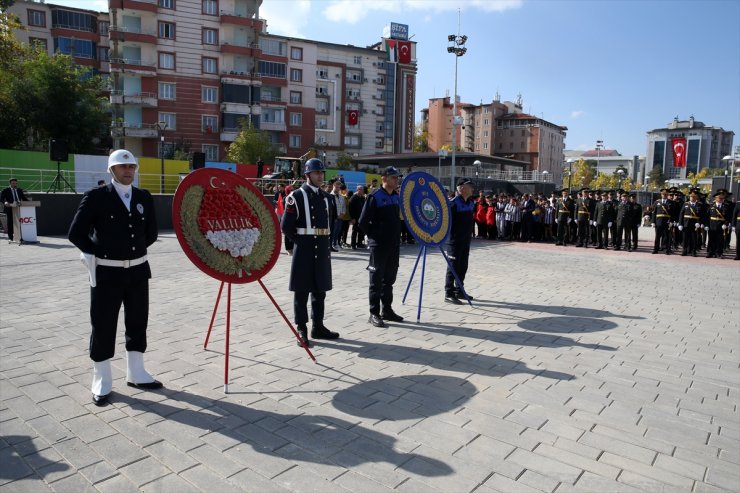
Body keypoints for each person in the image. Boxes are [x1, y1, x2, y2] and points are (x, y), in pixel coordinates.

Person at [68, 150, 161, 406]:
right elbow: (76, 233)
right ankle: (102, 379)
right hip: (107, 272)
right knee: (103, 323)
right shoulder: (96, 197)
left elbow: (150, 233)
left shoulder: (143, 197)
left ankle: (137, 372)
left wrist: (132, 253)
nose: (128, 171)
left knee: (138, 320)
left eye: (131, 166)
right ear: (111, 170)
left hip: (138, 271)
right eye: (122, 167)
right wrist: (99, 254)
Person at [280, 159, 339, 348]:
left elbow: (332, 222)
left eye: (322, 173)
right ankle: (302, 328)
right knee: (301, 291)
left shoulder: (327, 198)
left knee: (319, 290)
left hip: (321, 248)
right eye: (316, 173)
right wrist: (300, 243)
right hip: (304, 248)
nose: (320, 176)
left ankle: (318, 326)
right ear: (307, 175)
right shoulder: (296, 196)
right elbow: (286, 226)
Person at [358, 166, 404, 327]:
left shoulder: (396, 197)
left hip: (394, 245)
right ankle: (374, 313)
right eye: (393, 177)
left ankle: (387, 310)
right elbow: (363, 222)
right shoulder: (374, 196)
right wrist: (374, 237)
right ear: (384, 179)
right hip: (379, 246)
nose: (396, 180)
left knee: (389, 279)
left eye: (397, 177)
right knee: (376, 280)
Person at [444, 178, 476, 304]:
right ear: (461, 188)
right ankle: (449, 293)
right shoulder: (453, 203)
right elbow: (446, 222)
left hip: (465, 240)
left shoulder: (470, 202)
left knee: (463, 267)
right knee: (452, 267)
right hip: (454, 241)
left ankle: (459, 290)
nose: (472, 188)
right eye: (470, 186)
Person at [1, 178, 28, 243]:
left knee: (19, 223)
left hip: (19, 208)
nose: (14, 184)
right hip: (10, 207)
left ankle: (20, 237)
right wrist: (5, 202)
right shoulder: (5, 190)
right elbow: (1, 198)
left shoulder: (19, 190)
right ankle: (10, 238)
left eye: (15, 183)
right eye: (13, 183)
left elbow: (24, 198)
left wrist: (31, 203)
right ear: (10, 183)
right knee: (10, 223)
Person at [706, 191, 731, 259]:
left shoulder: (726, 206)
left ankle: (719, 253)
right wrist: (706, 225)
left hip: (721, 226)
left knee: (720, 240)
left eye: (722, 199)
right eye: (719, 198)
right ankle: (711, 252)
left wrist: (726, 224)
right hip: (712, 225)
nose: (721, 200)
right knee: (711, 239)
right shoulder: (711, 206)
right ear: (716, 198)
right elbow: (707, 216)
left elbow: (728, 217)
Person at [679, 188, 705, 257]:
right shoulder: (685, 204)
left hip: (695, 224)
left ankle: (693, 251)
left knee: (694, 238)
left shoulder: (699, 205)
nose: (692, 198)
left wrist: (700, 223)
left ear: (696, 197)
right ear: (689, 197)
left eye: (694, 197)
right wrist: (680, 224)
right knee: (685, 238)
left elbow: (702, 215)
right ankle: (684, 250)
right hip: (686, 223)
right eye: (691, 196)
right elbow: (681, 214)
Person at [652, 188, 674, 254]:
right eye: (663, 194)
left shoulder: (671, 202)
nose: (664, 195)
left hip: (667, 221)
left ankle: (667, 249)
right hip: (658, 221)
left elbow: (673, 213)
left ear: (667, 195)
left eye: (665, 194)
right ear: (661, 195)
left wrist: (671, 221)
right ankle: (656, 249)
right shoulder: (657, 202)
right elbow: (654, 212)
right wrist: (653, 222)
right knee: (657, 236)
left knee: (667, 237)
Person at [348, 185, 366, 249]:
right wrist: (352, 218)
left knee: (361, 231)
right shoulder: (353, 198)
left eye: (362, 189)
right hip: (355, 218)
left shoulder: (363, 198)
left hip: (361, 217)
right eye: (360, 189)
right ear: (357, 190)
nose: (362, 190)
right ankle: (353, 244)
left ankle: (359, 243)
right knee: (354, 231)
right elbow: (350, 209)